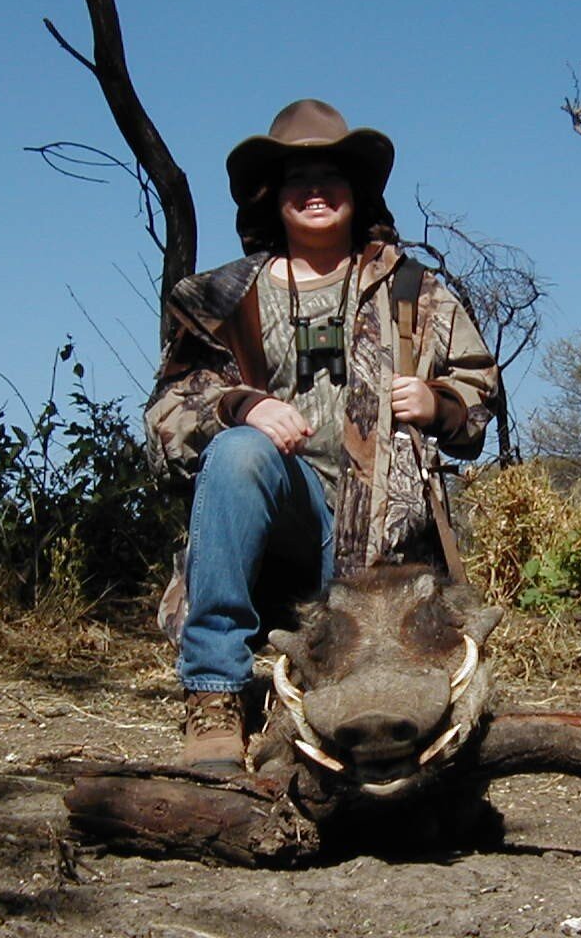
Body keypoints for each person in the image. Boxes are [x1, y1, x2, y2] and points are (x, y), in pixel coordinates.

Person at [143, 100, 498, 770]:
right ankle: (214, 695)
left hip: (389, 551)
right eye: (296, 177)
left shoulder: (418, 291)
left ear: (357, 193)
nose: (314, 191)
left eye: (331, 176)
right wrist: (240, 407)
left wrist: (438, 401)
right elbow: (166, 415)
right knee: (240, 451)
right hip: (280, 532)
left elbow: (478, 399)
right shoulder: (215, 298)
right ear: (270, 197)